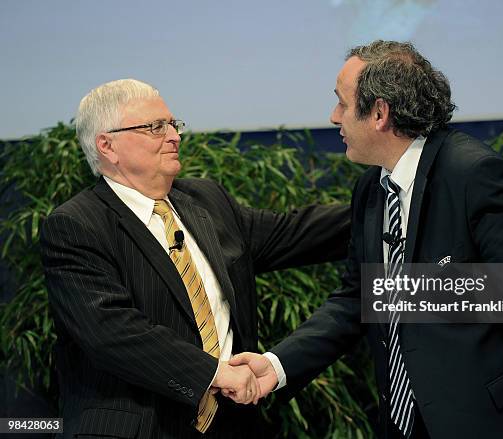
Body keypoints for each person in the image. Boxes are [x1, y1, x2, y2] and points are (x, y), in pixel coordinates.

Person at [230, 41, 503, 438]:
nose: (333, 117)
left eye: (341, 104)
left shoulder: (475, 176)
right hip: (404, 424)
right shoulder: (371, 188)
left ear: (379, 113)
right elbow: (357, 300)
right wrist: (275, 366)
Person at [40, 78, 350, 438]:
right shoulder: (76, 225)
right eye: (155, 127)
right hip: (141, 427)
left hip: (233, 423)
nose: (174, 136)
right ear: (107, 146)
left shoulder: (206, 201)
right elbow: (111, 332)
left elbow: (293, 232)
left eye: (173, 124)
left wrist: (384, 203)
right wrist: (214, 374)